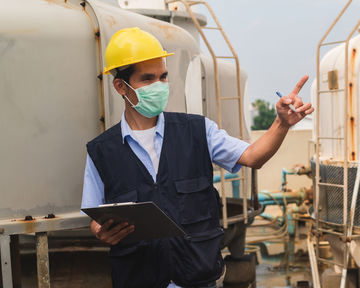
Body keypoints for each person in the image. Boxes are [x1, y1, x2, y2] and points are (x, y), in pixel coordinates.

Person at [81, 27, 314, 288]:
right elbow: (95, 218)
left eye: (163, 77)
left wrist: (282, 124)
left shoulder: (197, 130)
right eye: (147, 79)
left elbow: (252, 156)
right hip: (138, 278)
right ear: (120, 86)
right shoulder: (101, 151)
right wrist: (103, 232)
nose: (159, 86)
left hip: (196, 279)